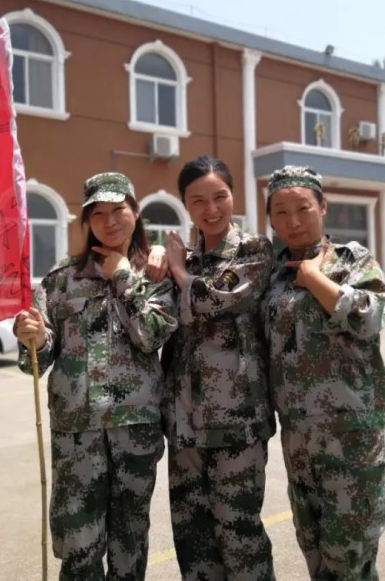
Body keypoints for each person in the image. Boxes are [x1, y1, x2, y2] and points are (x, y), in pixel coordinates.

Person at [14, 172, 178, 581]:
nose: (110, 221)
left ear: (136, 212)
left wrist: (123, 276)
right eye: (98, 213)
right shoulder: (60, 280)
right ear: (87, 220)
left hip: (134, 431)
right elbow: (36, 361)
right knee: (79, 546)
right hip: (76, 434)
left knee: (129, 543)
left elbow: (151, 335)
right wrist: (35, 339)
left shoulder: (156, 277)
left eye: (119, 209)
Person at [261, 165, 385, 581]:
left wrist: (316, 279)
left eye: (303, 208)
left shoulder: (352, 260)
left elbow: (372, 318)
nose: (293, 221)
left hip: (351, 437)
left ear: (322, 206)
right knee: (314, 548)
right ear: (270, 219)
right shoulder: (272, 274)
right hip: (298, 439)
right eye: (281, 212)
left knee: (350, 555)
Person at [159, 155, 277, 581]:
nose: (211, 209)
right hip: (184, 423)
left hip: (237, 422)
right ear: (185, 205)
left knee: (239, 534)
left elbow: (215, 300)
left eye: (220, 197)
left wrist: (176, 270)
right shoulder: (184, 258)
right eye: (197, 201)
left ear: (233, 196)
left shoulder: (253, 251)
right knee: (192, 537)